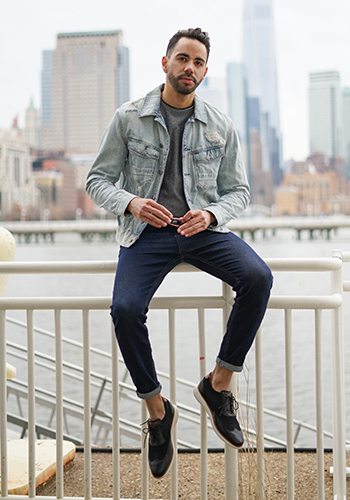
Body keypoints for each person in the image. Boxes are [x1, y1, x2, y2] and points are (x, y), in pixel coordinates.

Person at [86, 27, 273, 479]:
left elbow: (239, 192)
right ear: (165, 62)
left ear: (205, 71)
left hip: (201, 230)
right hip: (145, 235)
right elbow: (97, 180)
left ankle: (218, 386)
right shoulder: (129, 118)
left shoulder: (220, 125)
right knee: (125, 309)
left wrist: (209, 215)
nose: (190, 68)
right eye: (183, 58)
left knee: (259, 278)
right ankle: (157, 412)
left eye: (198, 62)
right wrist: (131, 202)